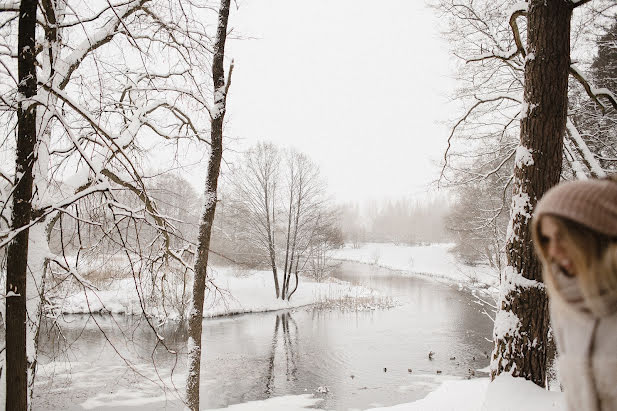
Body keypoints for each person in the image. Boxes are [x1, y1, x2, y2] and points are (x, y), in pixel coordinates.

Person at [531, 176, 617, 411]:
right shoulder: (563, 303)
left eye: (563, 236)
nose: (554, 251)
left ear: (597, 233)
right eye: (546, 239)